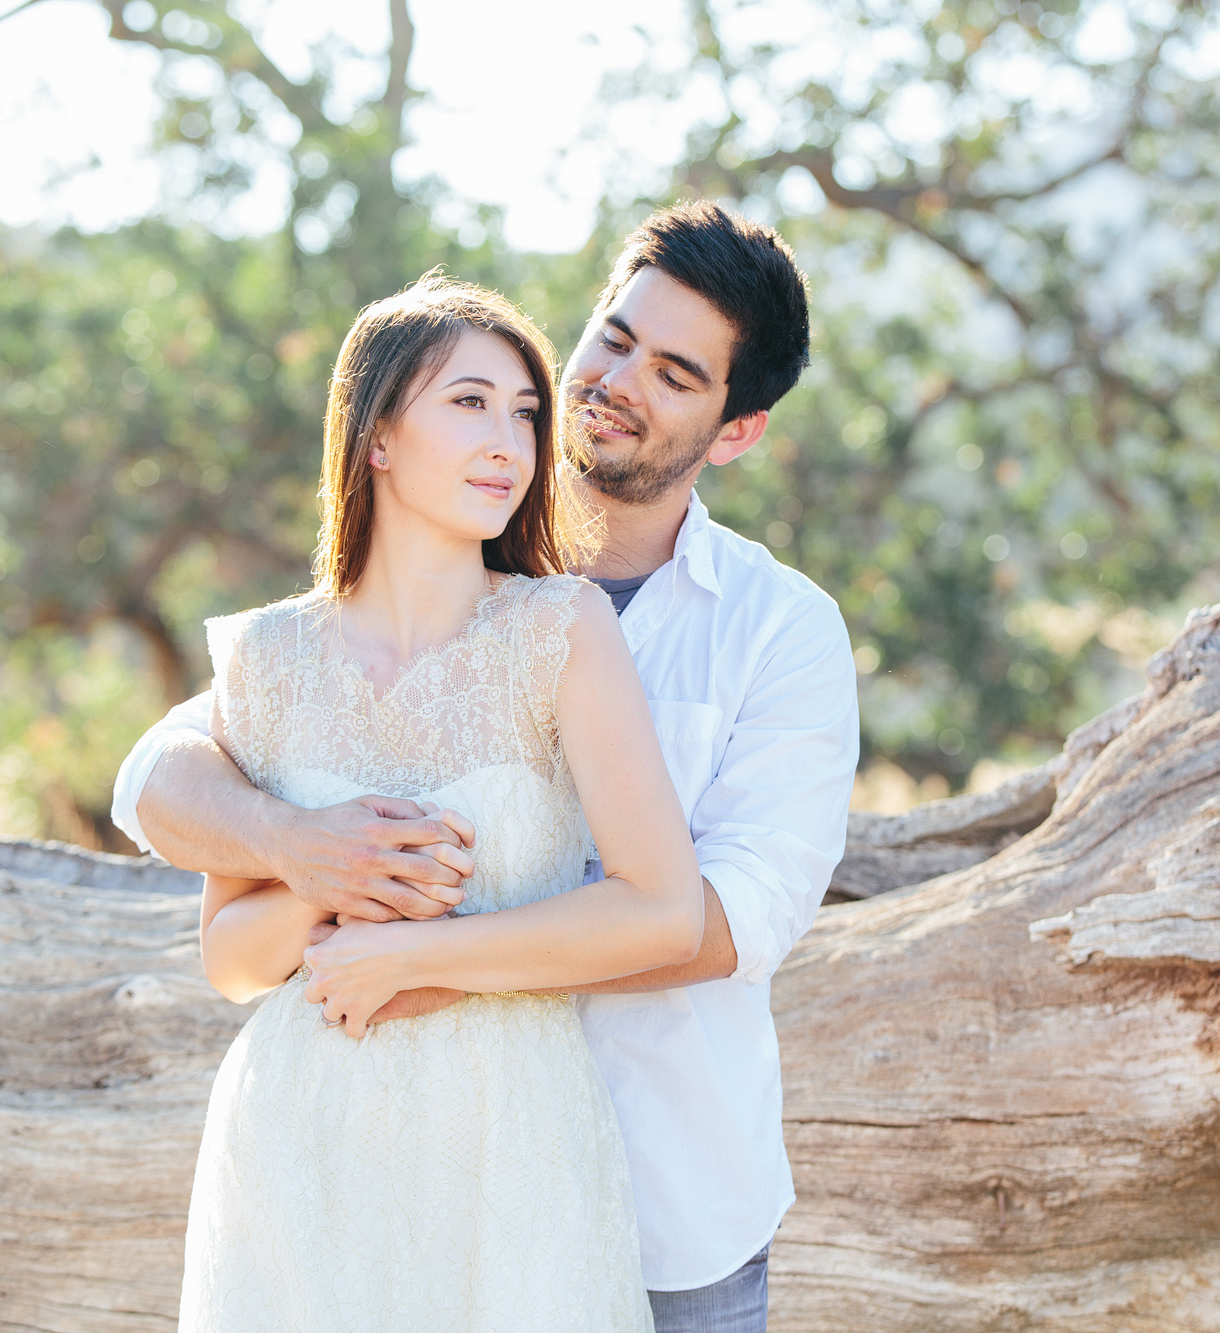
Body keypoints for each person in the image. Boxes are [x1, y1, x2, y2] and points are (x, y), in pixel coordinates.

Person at [117, 202, 861, 1331]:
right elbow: (165, 772)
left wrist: (435, 963)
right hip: (379, 1181)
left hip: (665, 1193)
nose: (615, 381)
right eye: (613, 337)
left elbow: (721, 921)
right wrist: (296, 848)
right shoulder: (421, 570)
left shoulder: (777, 629)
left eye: (672, 374)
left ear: (734, 430)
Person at [175, 275, 703, 1330]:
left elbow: (662, 907)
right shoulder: (268, 656)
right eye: (468, 402)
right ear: (374, 435)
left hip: (507, 1149)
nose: (507, 438)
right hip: (299, 1145)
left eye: (523, 412)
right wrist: (331, 878)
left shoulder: (560, 630)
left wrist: (413, 952)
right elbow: (230, 961)